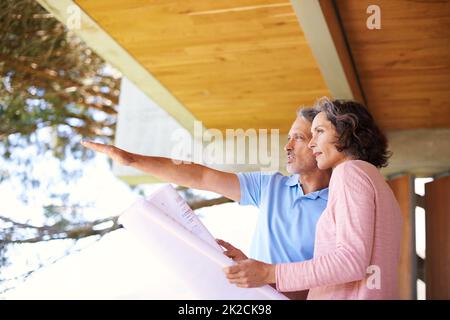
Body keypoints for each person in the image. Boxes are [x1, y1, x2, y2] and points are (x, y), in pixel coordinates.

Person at [81, 109, 331, 299]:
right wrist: (133, 160)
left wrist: (266, 277)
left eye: (297, 138)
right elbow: (202, 176)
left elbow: (332, 281)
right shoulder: (270, 186)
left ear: (319, 143)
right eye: (288, 138)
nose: (287, 146)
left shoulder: (341, 203)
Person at [224, 97, 402, 300]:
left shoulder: (349, 172)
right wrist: (258, 271)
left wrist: (267, 272)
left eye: (319, 131)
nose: (312, 142)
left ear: (345, 132)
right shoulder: (378, 185)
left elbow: (349, 262)